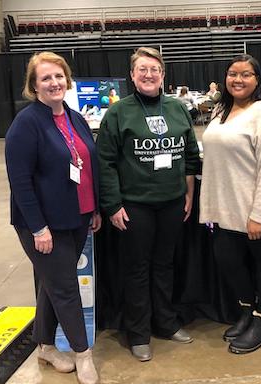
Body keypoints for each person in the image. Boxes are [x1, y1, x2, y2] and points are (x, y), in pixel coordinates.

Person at [97, 47, 200, 362]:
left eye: (154, 69)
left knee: (164, 265)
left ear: (163, 75)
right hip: (135, 206)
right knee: (137, 270)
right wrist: (113, 205)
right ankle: (138, 333)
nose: (148, 74)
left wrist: (189, 195)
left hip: (171, 204)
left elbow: (190, 156)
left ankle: (166, 323)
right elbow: (105, 162)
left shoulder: (177, 108)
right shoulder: (118, 112)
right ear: (132, 75)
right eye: (142, 69)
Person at [5, 51, 101, 384]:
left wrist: (94, 210)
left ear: (67, 79)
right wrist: (37, 228)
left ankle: (44, 345)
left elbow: (88, 165)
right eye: (45, 78)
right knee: (65, 288)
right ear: (34, 85)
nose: (54, 82)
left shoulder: (75, 118)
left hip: (77, 216)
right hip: (44, 224)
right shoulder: (26, 123)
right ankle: (83, 354)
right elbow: (20, 181)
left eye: (58, 76)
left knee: (52, 282)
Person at [199, 54, 261, 354]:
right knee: (229, 261)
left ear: (257, 80)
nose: (237, 79)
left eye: (246, 74)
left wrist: (258, 214)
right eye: (232, 74)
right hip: (226, 207)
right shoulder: (220, 110)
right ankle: (246, 312)